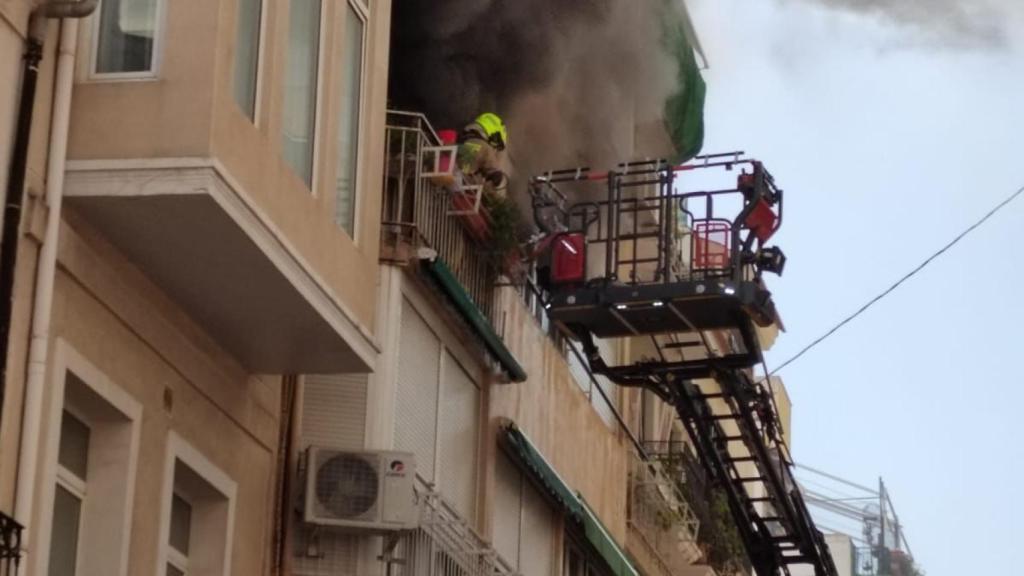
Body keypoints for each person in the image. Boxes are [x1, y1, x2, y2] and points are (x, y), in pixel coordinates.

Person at [456, 112, 509, 198]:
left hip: (452, 185)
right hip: (462, 193)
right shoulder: (485, 148)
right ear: (493, 133)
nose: (494, 149)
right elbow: (494, 173)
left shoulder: (462, 142)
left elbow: (465, 167)